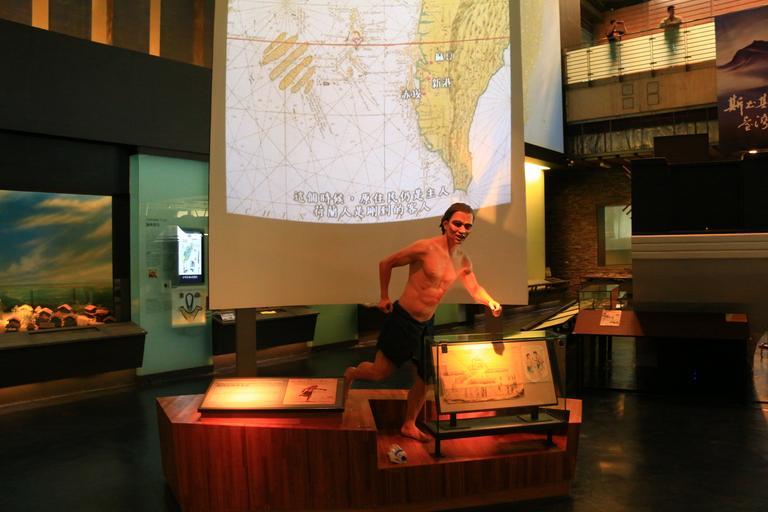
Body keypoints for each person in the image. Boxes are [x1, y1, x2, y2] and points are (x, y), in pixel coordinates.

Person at [344, 202, 502, 441]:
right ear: (445, 223)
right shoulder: (425, 248)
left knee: (425, 376)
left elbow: (475, 288)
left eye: (467, 226)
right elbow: (386, 263)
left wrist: (490, 301)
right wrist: (384, 296)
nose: (462, 230)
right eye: (457, 224)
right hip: (403, 320)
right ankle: (352, 374)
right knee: (379, 373)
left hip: (426, 324)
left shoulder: (463, 261)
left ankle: (409, 424)